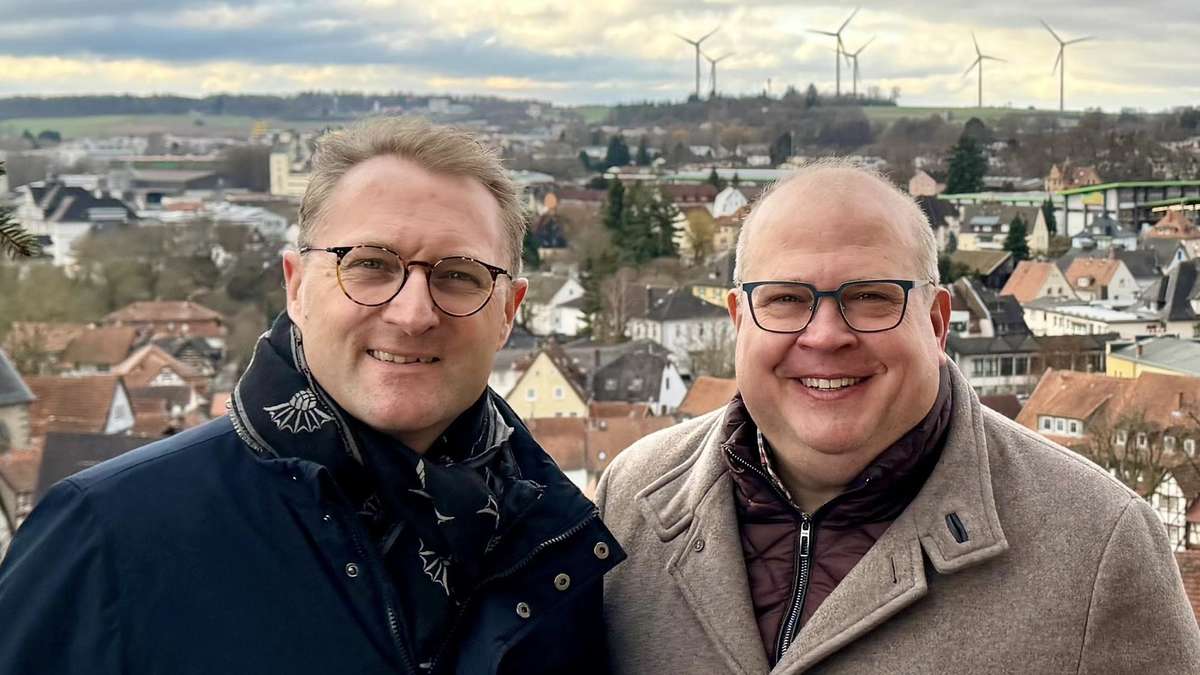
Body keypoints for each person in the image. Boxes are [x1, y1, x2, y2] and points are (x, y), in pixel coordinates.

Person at [0, 117, 624, 674]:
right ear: (296, 287)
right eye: (371, 265)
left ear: (509, 311)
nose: (413, 314)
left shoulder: (557, 550)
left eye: (459, 276)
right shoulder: (109, 536)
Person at [597, 159, 1200, 673]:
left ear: (936, 322)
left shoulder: (1100, 546)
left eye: (870, 297)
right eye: (785, 299)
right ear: (738, 320)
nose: (825, 336)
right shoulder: (630, 502)